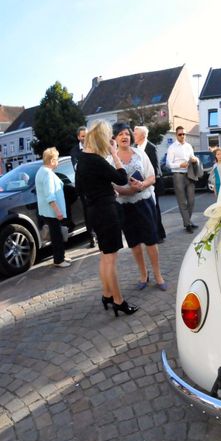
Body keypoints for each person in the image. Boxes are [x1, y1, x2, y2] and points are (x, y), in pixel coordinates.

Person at [76, 120, 138, 316]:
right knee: (110, 259)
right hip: (105, 212)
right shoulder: (96, 159)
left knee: (104, 257)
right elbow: (121, 178)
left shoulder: (82, 160)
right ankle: (118, 301)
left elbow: (80, 189)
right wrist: (113, 153)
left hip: (94, 211)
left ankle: (107, 295)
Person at [112, 124, 167, 291]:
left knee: (151, 241)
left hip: (144, 202)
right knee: (134, 243)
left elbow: (152, 177)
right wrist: (127, 190)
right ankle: (143, 274)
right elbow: (112, 186)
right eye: (120, 134)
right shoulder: (111, 160)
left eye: (127, 134)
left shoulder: (140, 153)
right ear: (114, 138)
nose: (125, 136)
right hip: (124, 206)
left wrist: (142, 184)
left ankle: (158, 275)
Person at [35, 147, 71, 268]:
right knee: (57, 236)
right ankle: (59, 260)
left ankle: (61, 256)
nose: (58, 162)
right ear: (51, 161)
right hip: (52, 212)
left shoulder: (41, 171)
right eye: (56, 159)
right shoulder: (48, 174)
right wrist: (58, 211)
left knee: (56, 235)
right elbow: (50, 195)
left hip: (47, 211)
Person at [133, 125, 166, 242]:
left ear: (142, 135)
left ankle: (159, 234)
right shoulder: (134, 148)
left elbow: (156, 168)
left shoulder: (151, 147)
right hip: (139, 184)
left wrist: (150, 182)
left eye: (135, 134)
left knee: (154, 208)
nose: (133, 135)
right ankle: (147, 233)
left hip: (152, 183)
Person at [166, 126, 198, 233]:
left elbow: (192, 157)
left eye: (184, 134)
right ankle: (188, 224)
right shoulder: (172, 147)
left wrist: (194, 159)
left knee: (192, 200)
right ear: (176, 135)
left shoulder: (189, 146)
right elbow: (168, 164)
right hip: (178, 175)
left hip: (189, 174)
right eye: (180, 134)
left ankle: (187, 221)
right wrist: (180, 164)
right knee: (182, 202)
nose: (182, 136)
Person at [70, 126, 97, 247]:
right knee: (88, 213)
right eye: (83, 136)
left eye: (87, 135)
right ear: (78, 137)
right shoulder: (75, 151)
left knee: (98, 210)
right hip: (84, 188)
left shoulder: (94, 147)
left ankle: (101, 234)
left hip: (96, 185)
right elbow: (77, 168)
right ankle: (92, 238)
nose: (85, 138)